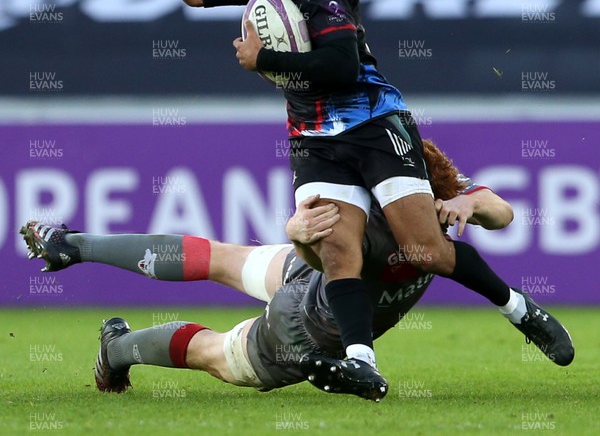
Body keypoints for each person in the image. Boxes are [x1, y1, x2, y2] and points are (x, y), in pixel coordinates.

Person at [147, 0, 573, 395]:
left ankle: (522, 311)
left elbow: (343, 64)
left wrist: (264, 60)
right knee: (336, 247)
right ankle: (360, 360)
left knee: (426, 251)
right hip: (314, 136)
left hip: (372, 122)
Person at [21, 140, 575, 402]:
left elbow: (500, 210)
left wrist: (472, 203)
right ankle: (115, 349)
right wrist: (297, 237)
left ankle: (75, 245)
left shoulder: (420, 191)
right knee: (214, 353)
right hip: (308, 319)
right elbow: (335, 264)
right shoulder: (380, 219)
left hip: (306, 279)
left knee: (218, 256)